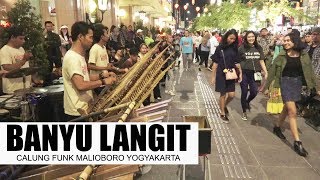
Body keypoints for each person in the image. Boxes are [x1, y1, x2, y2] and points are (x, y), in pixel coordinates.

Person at [264, 32, 317, 157]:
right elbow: (272, 72)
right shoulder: (281, 56)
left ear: (295, 42)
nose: (286, 42)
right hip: (285, 82)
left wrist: (316, 87)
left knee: (287, 108)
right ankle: (297, 142)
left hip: (297, 83)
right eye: (285, 40)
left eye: (289, 40)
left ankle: (277, 127)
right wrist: (266, 87)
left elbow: (310, 72)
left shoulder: (303, 55)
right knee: (293, 111)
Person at [62, 21, 116, 121]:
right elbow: (80, 85)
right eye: (90, 37)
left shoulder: (79, 56)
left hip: (84, 108)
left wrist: (103, 75)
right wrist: (103, 82)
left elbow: (85, 77)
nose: (92, 40)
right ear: (80, 37)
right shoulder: (72, 58)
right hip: (77, 111)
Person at [210, 29, 242, 123]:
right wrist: (213, 76)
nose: (232, 40)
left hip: (231, 73)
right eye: (230, 38)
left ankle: (223, 105)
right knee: (223, 94)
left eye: (234, 39)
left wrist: (240, 73)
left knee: (232, 95)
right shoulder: (220, 48)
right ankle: (222, 112)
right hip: (221, 73)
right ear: (226, 37)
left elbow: (237, 62)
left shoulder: (235, 48)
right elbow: (215, 63)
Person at [238, 31, 268, 120]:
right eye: (249, 37)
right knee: (244, 92)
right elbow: (238, 61)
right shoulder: (242, 48)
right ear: (246, 38)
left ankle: (247, 101)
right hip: (244, 72)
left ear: (255, 37)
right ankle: (244, 112)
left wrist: (266, 71)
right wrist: (239, 73)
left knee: (254, 91)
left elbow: (261, 60)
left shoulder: (259, 48)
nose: (251, 38)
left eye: (252, 37)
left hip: (256, 73)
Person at [0, 26, 33, 94]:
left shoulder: (21, 49)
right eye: (20, 38)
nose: (23, 41)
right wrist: (24, 60)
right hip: (13, 90)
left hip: (25, 87)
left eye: (24, 39)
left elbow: (25, 68)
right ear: (12, 37)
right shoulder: (5, 50)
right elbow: (7, 68)